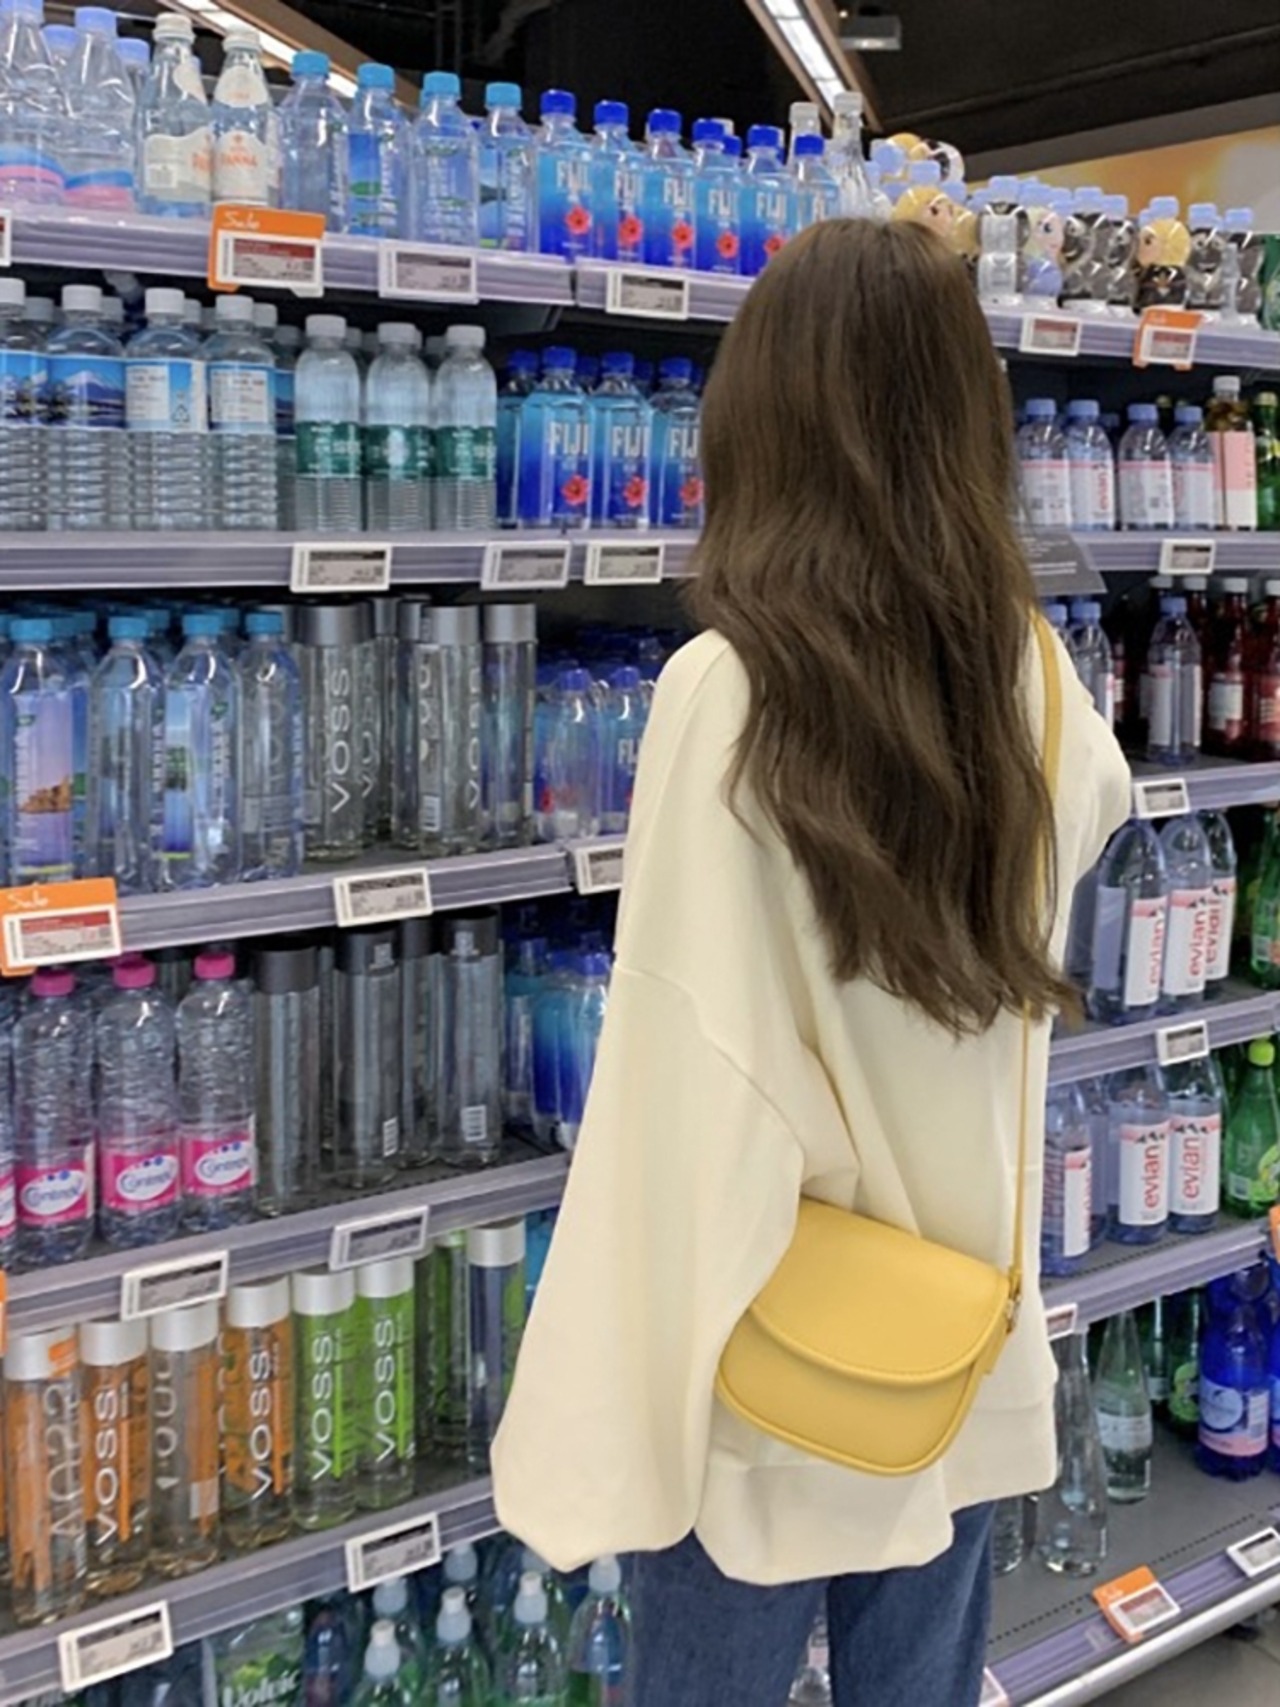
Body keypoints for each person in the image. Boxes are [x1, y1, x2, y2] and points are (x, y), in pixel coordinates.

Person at [492, 218, 1129, 1705]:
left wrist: (604, 1404)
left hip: (770, 1356)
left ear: (760, 415)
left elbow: (683, 1072)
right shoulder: (1031, 676)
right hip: (952, 1336)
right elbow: (1088, 824)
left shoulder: (727, 692)